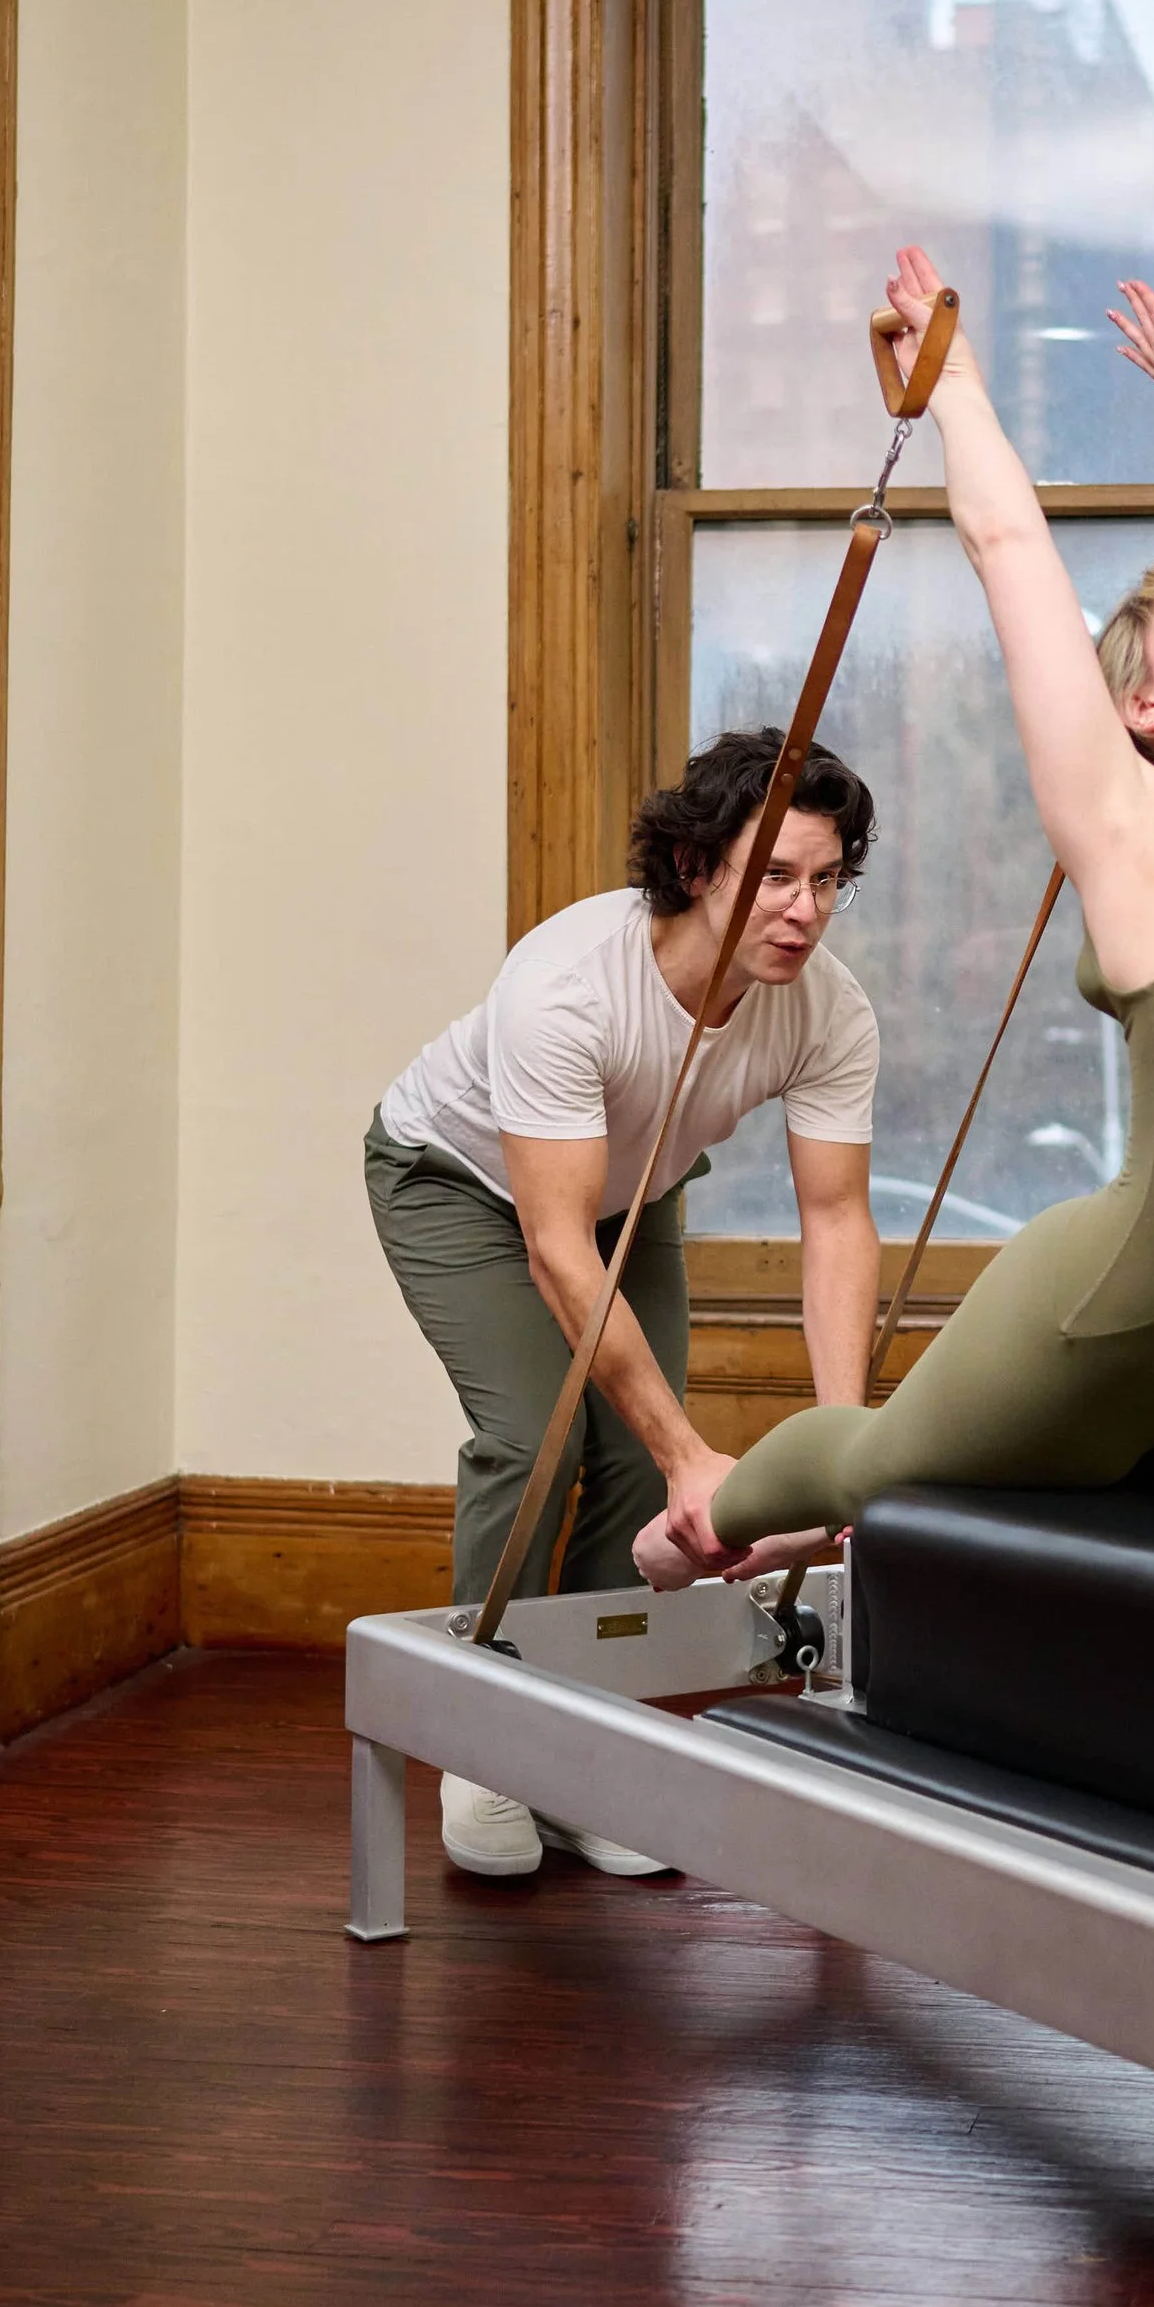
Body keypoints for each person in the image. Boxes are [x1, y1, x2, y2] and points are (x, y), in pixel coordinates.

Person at [632, 248, 1154, 1589]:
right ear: (1143, 709)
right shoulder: (1139, 841)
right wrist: (952, 383)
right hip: (1099, 1324)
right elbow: (1010, 547)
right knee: (872, 1470)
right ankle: (709, 1518)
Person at [367, 727, 881, 1871]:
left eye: (828, 882)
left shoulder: (828, 1011)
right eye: (775, 877)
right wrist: (694, 1452)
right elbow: (555, 1245)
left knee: (640, 1465)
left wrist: (844, 1445)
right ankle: (481, 1743)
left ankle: (585, 1746)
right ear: (698, 869)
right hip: (460, 1185)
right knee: (534, 1440)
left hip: (628, 1193)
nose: (804, 911)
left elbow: (836, 1221)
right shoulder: (564, 987)